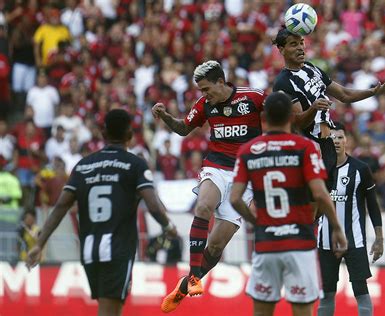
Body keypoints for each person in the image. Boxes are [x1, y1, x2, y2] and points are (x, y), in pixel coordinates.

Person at [26, 109, 177, 316]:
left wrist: (39, 244)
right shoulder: (135, 165)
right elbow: (152, 205)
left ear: (103, 133)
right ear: (130, 135)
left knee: (110, 309)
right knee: (108, 311)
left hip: (89, 251)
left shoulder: (83, 166)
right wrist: (169, 227)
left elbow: (61, 206)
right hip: (116, 250)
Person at [152, 60, 266, 313]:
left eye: (206, 89)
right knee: (203, 206)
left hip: (245, 177)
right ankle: (194, 277)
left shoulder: (255, 98)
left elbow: (280, 118)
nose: (203, 95)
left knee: (215, 246)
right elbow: (183, 128)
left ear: (221, 82)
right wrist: (166, 116)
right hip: (216, 167)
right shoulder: (205, 105)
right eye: (200, 91)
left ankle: (183, 287)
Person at [230, 92, 347, 316]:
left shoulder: (249, 150)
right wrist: (337, 229)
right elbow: (321, 195)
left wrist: (257, 222)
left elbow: (235, 198)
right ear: (292, 117)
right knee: (302, 310)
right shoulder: (305, 148)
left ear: (264, 117)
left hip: (266, 244)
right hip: (299, 244)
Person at [272, 27, 385, 192]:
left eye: (301, 43)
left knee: (322, 203)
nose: (300, 48)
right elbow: (298, 123)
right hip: (310, 146)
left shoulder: (312, 68)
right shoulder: (283, 82)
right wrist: (314, 108)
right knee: (315, 200)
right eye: (293, 44)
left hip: (327, 145)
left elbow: (344, 94)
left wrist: (374, 92)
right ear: (281, 49)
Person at [317, 122, 384, 316]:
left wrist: (379, 239)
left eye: (340, 137)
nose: (336, 141)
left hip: (355, 240)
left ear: (348, 140)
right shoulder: (319, 169)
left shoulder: (360, 169)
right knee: (327, 294)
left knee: (361, 291)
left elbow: (373, 205)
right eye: (332, 138)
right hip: (325, 241)